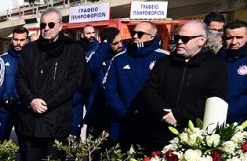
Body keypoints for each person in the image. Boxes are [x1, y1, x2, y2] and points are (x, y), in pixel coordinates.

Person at [16, 7, 87, 161]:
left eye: (50, 25)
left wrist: (46, 102)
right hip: (31, 116)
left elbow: (73, 81)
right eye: (42, 25)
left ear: (60, 26)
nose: (46, 29)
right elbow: (20, 78)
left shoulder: (73, 49)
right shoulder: (30, 49)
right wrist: (31, 101)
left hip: (57, 116)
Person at [139, 20, 228, 152]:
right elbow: (149, 90)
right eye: (177, 37)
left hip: (195, 137)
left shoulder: (216, 65)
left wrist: (178, 114)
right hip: (160, 132)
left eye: (185, 39)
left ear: (201, 40)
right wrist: (164, 113)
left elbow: (213, 97)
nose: (179, 41)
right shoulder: (164, 62)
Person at [104, 22, 169, 148]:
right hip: (121, 120)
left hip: (151, 123)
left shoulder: (164, 58)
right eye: (134, 33)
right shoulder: (119, 58)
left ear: (151, 37)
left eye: (140, 34)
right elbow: (109, 89)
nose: (135, 36)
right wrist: (123, 112)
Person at [83, 27, 123, 137]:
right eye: (115, 43)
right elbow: (93, 66)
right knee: (93, 149)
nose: (120, 45)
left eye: (121, 41)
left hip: (115, 111)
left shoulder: (122, 56)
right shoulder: (97, 54)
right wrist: (105, 44)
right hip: (97, 110)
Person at [0, 26, 29, 141]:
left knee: (24, 144)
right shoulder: (2, 60)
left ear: (27, 41)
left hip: (23, 108)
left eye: (22, 40)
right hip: (4, 108)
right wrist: (5, 98)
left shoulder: (31, 60)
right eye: (16, 39)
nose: (18, 43)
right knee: (0, 142)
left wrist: (18, 98)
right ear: (12, 40)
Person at [222, 19, 247, 123]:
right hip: (211, 117)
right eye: (230, 38)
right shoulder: (216, 59)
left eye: (239, 37)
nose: (234, 42)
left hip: (240, 124)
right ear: (223, 38)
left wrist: (227, 113)